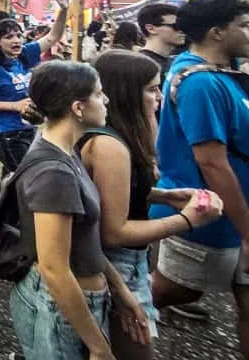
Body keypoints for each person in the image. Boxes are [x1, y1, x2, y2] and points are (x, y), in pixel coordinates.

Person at [82, 50, 224, 359]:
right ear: (127, 93)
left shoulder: (122, 136)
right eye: (151, 88)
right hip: (114, 265)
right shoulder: (109, 146)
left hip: (124, 263)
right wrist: (187, 220)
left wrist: (165, 196)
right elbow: (114, 232)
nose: (159, 96)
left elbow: (117, 195)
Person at [10, 60, 149, 360]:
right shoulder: (55, 172)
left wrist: (119, 288)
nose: (107, 100)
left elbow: (83, 237)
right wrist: (99, 347)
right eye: (99, 95)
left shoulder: (66, 150)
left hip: (74, 304)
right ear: (77, 108)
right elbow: (55, 269)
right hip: (57, 311)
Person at [149, 0, 249, 353]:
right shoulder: (199, 83)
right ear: (217, 33)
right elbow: (212, 163)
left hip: (231, 214)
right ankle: (92, 319)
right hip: (211, 215)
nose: (248, 31)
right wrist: (247, 230)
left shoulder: (228, 70)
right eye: (244, 24)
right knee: (173, 290)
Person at [0, 0, 72, 176]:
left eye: (18, 35)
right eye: (9, 37)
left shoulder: (24, 54)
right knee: (27, 179)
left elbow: (52, 37)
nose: (16, 40)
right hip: (7, 135)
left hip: (29, 129)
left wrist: (64, 10)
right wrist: (14, 105)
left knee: (12, 182)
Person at [136, 3, 184, 78]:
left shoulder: (176, 61)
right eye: (176, 26)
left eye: (183, 25)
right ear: (151, 29)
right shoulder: (140, 65)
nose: (182, 30)